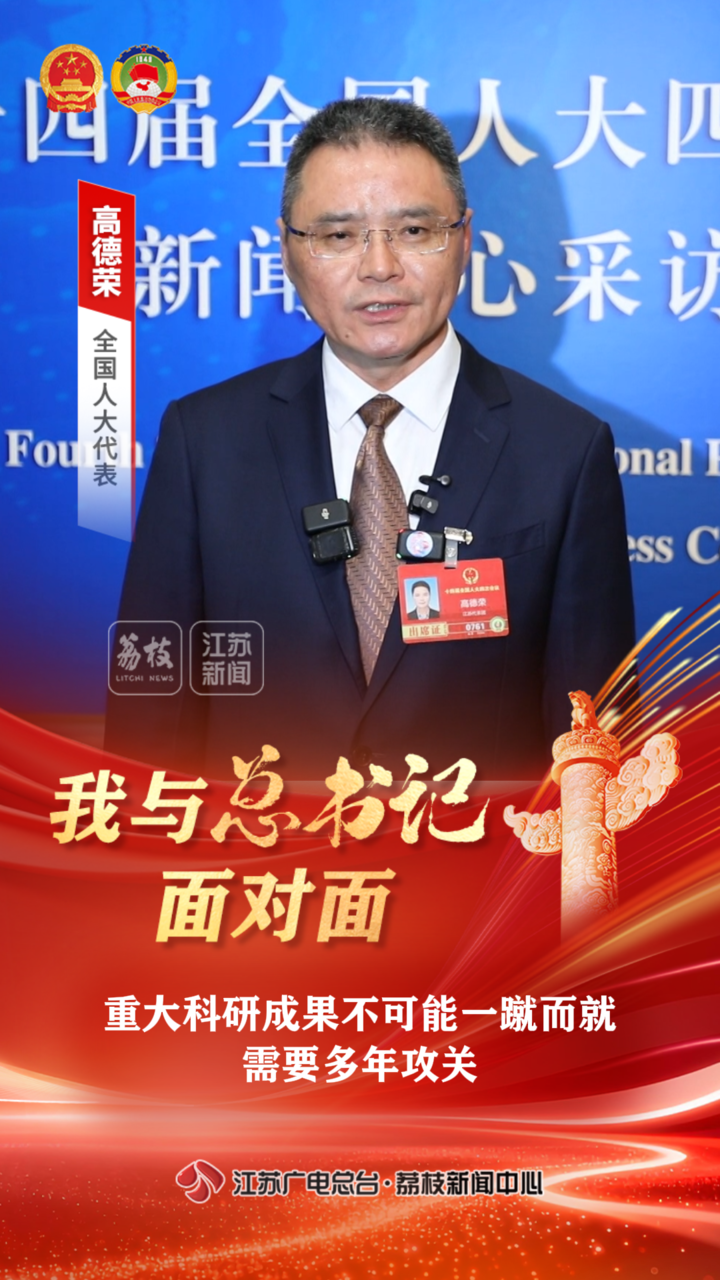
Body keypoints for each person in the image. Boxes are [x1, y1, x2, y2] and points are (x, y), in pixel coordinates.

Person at [106, 97, 634, 790]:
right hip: (256, 855)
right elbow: (151, 709)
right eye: (338, 235)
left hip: (473, 855)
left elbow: (590, 744)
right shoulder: (203, 439)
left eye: (414, 230)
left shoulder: (565, 450)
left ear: (464, 238)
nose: (380, 266)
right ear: (288, 248)